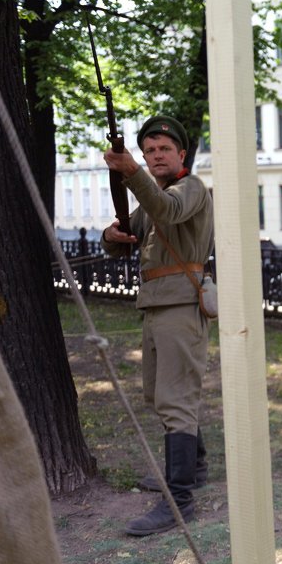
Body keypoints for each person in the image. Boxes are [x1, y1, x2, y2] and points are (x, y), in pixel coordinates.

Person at [101, 115, 214, 537]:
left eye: (164, 149)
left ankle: (180, 500)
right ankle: (195, 467)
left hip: (182, 306)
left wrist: (130, 173)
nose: (156, 156)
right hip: (155, 306)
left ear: (181, 154)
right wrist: (113, 235)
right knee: (159, 394)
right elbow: (122, 240)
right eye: (149, 151)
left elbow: (168, 211)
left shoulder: (190, 189)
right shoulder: (154, 194)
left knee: (175, 398)